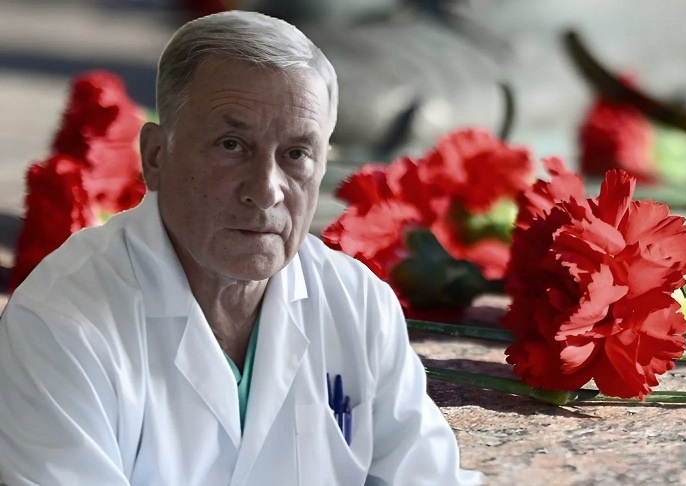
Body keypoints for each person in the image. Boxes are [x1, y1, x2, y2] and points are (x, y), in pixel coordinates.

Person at [0, 10, 483, 485]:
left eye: (296, 154)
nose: (266, 190)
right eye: (232, 145)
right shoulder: (60, 322)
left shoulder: (357, 303)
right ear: (156, 156)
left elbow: (428, 475)